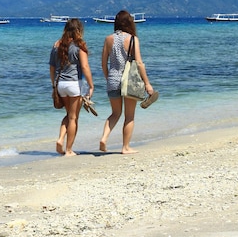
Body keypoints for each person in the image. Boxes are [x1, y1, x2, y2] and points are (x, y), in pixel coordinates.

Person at [99, 10, 157, 154]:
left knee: (115, 113)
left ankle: (104, 138)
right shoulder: (132, 39)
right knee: (129, 116)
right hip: (129, 81)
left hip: (113, 79)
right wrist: (147, 84)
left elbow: (103, 63)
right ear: (129, 22)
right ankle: (125, 147)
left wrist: (108, 78)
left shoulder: (108, 39)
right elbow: (139, 62)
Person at [49, 18, 95, 156]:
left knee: (69, 115)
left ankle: (60, 139)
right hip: (74, 84)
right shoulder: (79, 45)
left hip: (60, 85)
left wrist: (53, 85)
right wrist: (91, 85)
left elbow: (52, 68)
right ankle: (68, 149)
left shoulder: (57, 45)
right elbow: (85, 67)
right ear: (79, 30)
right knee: (74, 118)